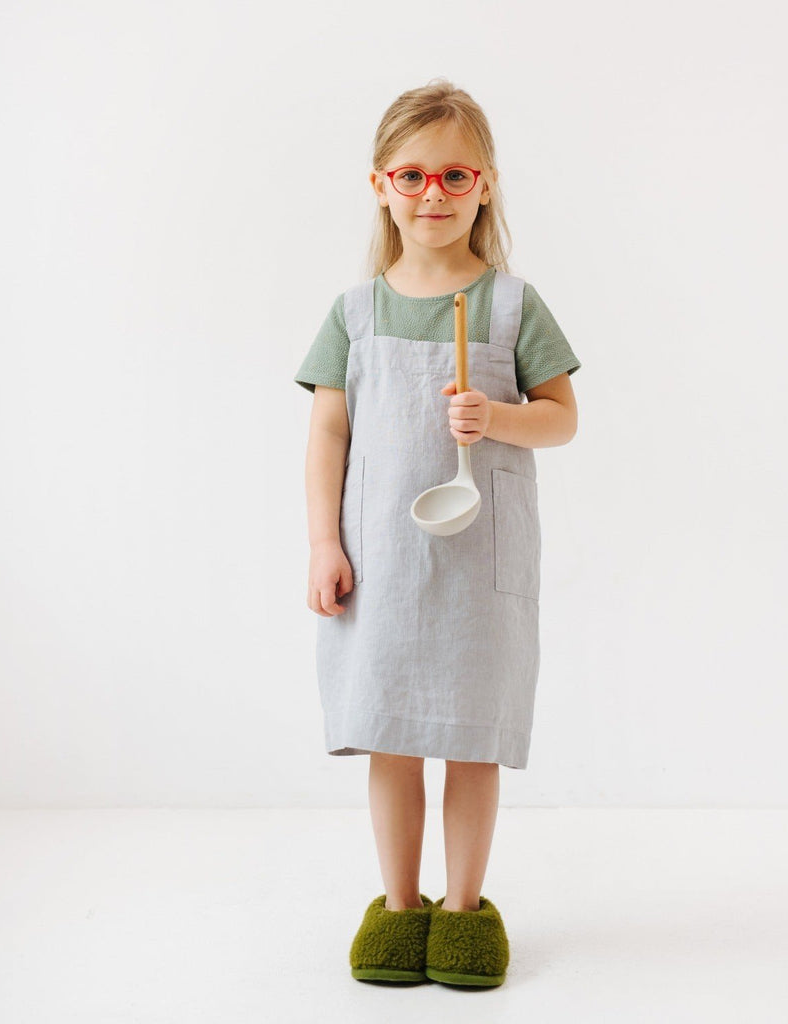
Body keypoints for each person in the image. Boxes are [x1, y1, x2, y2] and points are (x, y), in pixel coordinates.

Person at [294, 79, 581, 987]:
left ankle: (463, 912)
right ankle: (400, 905)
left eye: (455, 175)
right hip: (380, 563)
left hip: (478, 564)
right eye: (413, 175)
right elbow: (329, 433)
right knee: (391, 736)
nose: (434, 195)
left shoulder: (510, 306)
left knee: (470, 737)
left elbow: (562, 418)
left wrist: (495, 418)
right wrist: (323, 544)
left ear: (486, 185)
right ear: (380, 184)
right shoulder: (354, 312)